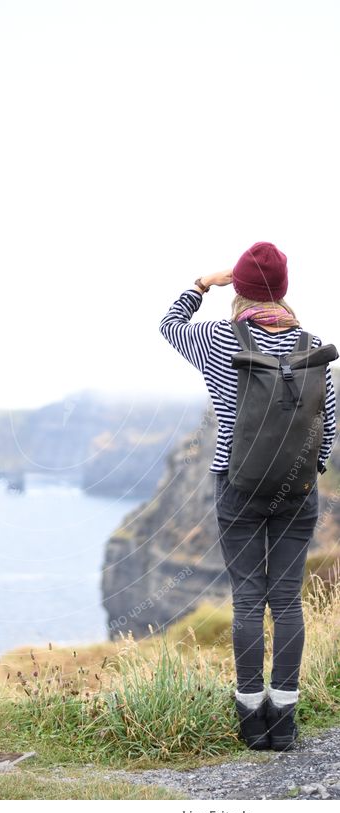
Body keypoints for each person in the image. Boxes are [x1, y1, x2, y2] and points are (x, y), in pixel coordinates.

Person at [158, 241, 336, 751]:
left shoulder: (219, 339)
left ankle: (250, 720)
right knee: (286, 602)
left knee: (247, 602)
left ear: (240, 288)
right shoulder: (315, 346)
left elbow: (169, 326)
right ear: (283, 290)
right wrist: (310, 469)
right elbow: (326, 430)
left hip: (237, 487)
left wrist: (200, 286)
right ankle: (284, 722)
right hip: (297, 491)